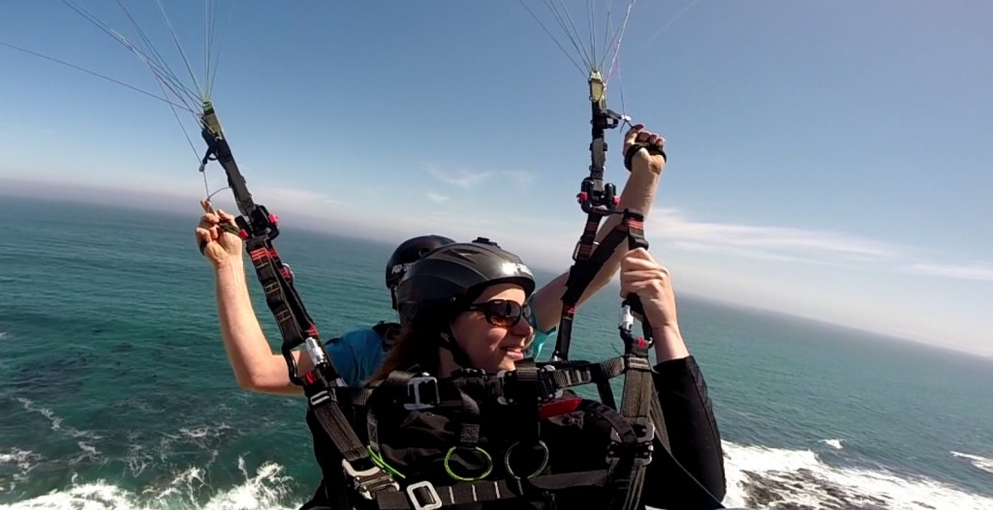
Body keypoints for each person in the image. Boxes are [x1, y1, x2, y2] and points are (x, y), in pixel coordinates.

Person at [278, 239, 869, 510]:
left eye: (523, 313)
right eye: (501, 311)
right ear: (439, 323)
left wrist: (665, 330)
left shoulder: (558, 410)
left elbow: (697, 493)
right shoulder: (377, 420)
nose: (522, 328)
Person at [194, 126, 670, 391]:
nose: (519, 326)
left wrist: (644, 175)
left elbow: (594, 268)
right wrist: (230, 263)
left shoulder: (500, 333)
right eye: (500, 310)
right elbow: (591, 273)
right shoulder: (377, 350)